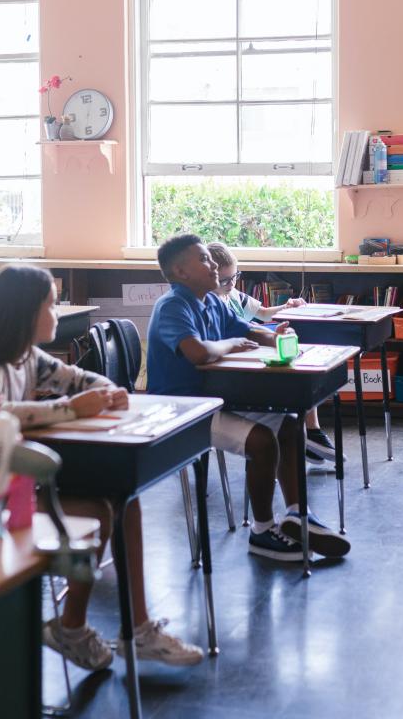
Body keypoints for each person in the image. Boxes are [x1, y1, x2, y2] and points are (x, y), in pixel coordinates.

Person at [0, 264, 204, 669]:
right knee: (105, 509)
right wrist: (67, 409)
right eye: (51, 306)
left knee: (122, 501)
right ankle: (79, 628)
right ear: (25, 313)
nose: (57, 314)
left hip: (17, 485)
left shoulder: (25, 357)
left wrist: (107, 392)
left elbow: (77, 379)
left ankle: (129, 629)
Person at [146, 234, 350, 562]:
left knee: (288, 424)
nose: (213, 264)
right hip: (183, 409)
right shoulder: (173, 305)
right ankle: (262, 530)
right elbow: (197, 352)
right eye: (204, 260)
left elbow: (247, 330)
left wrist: (278, 338)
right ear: (181, 272)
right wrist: (230, 345)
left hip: (216, 399)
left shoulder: (211, 300)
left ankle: (298, 514)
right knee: (262, 441)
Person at [206, 241, 346, 466]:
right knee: (293, 377)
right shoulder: (210, 302)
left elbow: (261, 313)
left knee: (299, 360)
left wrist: (286, 308)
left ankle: (311, 429)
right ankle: (306, 432)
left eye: (235, 276)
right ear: (209, 276)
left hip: (249, 349)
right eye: (225, 280)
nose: (231, 283)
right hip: (236, 364)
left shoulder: (233, 295)